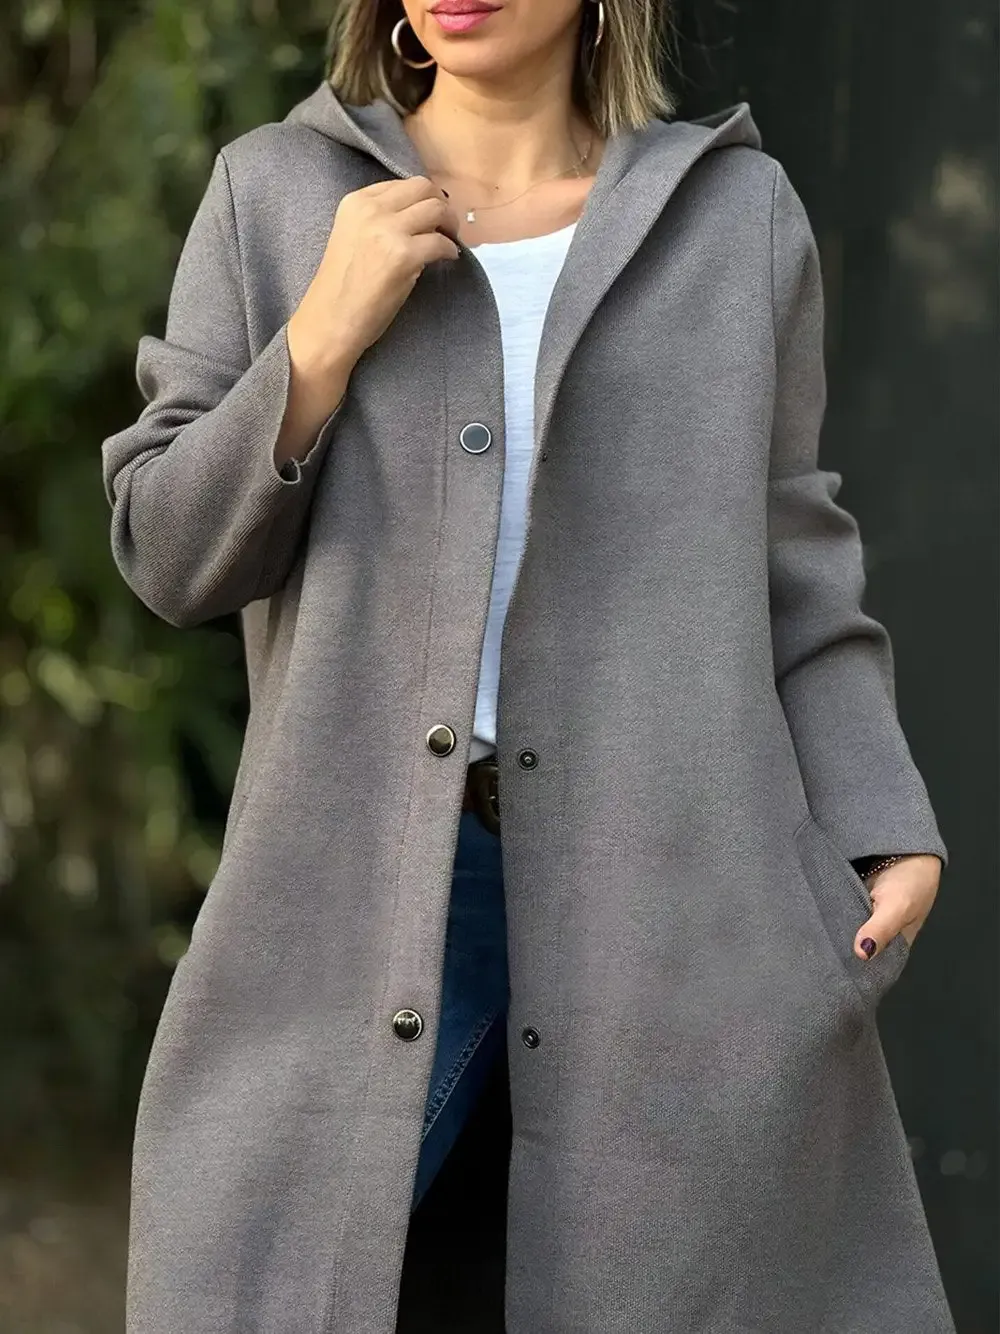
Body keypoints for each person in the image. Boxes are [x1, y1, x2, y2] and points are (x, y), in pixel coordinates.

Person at [101, 1, 956, 1331]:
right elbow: (169, 556)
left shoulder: (736, 219)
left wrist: (880, 814)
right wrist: (318, 342)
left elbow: (796, 554)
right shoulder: (273, 195)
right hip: (355, 903)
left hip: (676, 910)